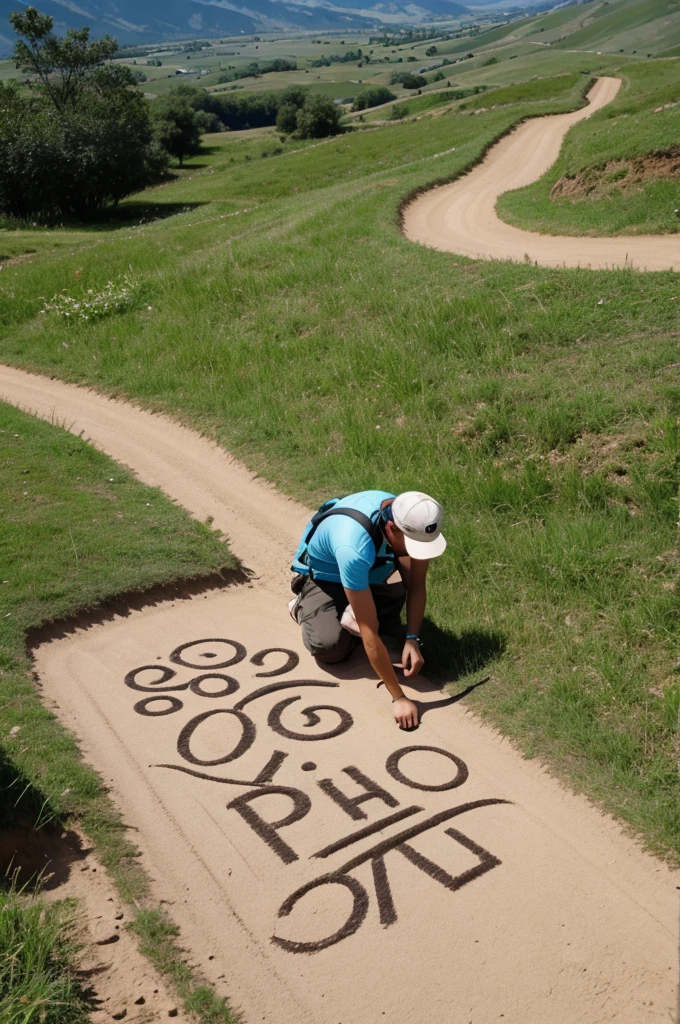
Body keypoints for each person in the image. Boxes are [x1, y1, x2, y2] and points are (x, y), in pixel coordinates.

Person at [289, 490, 446, 729]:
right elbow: (369, 629)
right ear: (392, 529)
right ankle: (305, 604)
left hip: (371, 570)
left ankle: (356, 609)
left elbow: (416, 586)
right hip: (327, 578)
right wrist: (399, 697)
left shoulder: (413, 519)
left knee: (393, 629)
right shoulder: (352, 546)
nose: (420, 551)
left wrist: (412, 638)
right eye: (414, 545)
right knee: (330, 647)